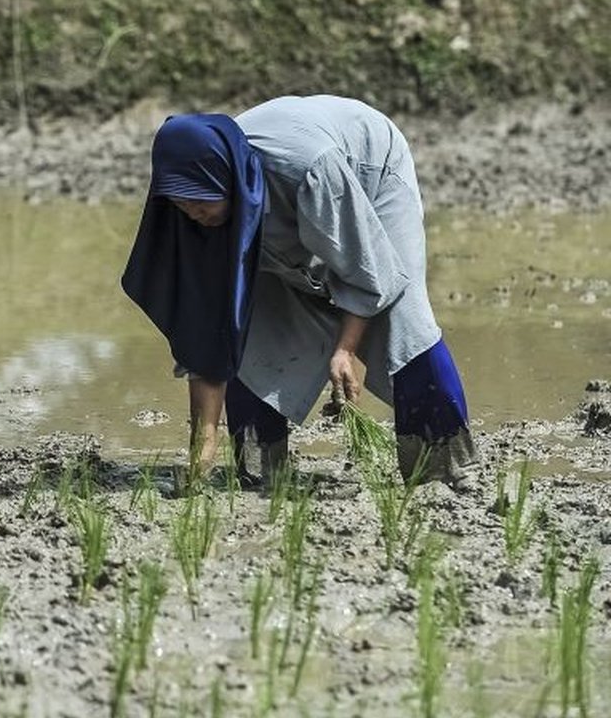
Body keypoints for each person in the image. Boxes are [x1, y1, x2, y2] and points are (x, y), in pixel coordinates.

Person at [122, 94, 478, 491]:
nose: (191, 211)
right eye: (178, 202)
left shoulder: (307, 167)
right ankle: (260, 467)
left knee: (402, 321)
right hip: (276, 201)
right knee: (253, 324)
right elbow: (206, 335)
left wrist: (344, 350)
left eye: (197, 198)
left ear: (223, 176)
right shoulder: (195, 218)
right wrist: (201, 452)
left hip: (366, 171)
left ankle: (445, 467)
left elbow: (367, 270)